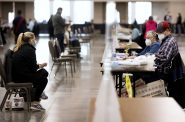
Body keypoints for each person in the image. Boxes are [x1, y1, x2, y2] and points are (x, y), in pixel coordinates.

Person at [12, 32, 48, 110]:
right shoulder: (30, 50)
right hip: (21, 78)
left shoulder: (19, 47)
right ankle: (34, 101)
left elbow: (27, 65)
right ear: (30, 40)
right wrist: (40, 65)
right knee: (44, 75)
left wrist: (38, 65)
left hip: (16, 76)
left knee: (42, 75)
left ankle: (35, 94)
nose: (35, 41)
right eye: (34, 39)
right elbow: (33, 69)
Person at [155, 21, 185, 108]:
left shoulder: (169, 42)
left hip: (167, 73)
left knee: (147, 76)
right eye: (158, 32)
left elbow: (164, 58)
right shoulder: (167, 39)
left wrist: (154, 56)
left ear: (167, 30)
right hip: (169, 70)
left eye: (160, 32)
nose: (159, 34)